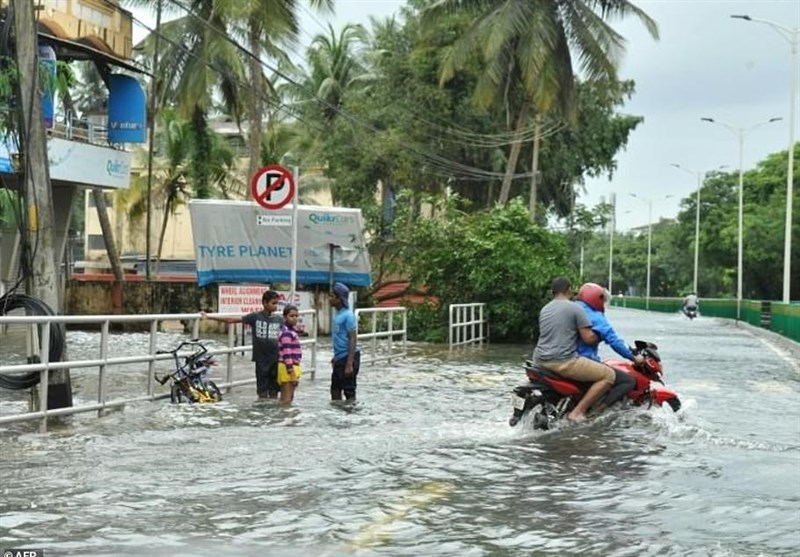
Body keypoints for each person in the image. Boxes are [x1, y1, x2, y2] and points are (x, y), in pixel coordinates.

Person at [532, 277, 615, 422]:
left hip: (539, 360)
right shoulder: (575, 308)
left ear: (553, 292)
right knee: (609, 375)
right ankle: (578, 412)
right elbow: (588, 338)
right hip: (563, 361)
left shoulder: (545, 309)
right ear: (569, 290)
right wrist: (603, 335)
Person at [575, 283, 644, 411]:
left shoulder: (573, 307)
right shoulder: (595, 316)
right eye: (603, 301)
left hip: (563, 357)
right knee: (628, 381)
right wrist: (633, 357)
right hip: (583, 360)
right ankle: (597, 410)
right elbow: (614, 341)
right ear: (597, 299)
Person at [201, 290, 282, 399]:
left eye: (277, 303)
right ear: (264, 303)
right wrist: (209, 316)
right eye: (273, 303)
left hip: (275, 359)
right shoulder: (255, 317)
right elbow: (231, 319)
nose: (276, 306)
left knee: (274, 391)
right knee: (262, 391)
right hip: (261, 359)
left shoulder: (279, 320)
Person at [330, 282, 360, 401]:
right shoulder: (337, 314)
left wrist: (349, 364)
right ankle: (337, 416)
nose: (330, 299)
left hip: (348, 357)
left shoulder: (348, 315)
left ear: (339, 299)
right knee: (335, 389)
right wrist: (335, 357)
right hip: (340, 357)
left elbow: (352, 338)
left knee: (349, 391)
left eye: (332, 296)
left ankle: (350, 416)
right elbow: (339, 337)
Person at [277, 304, 303, 404]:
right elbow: (286, 353)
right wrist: (291, 373)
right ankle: (286, 418)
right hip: (288, 367)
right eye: (291, 316)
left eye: (296, 316)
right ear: (285, 317)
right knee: (287, 400)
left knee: (287, 398)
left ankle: (285, 418)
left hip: (289, 366)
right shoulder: (287, 333)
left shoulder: (290, 331)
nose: (294, 318)